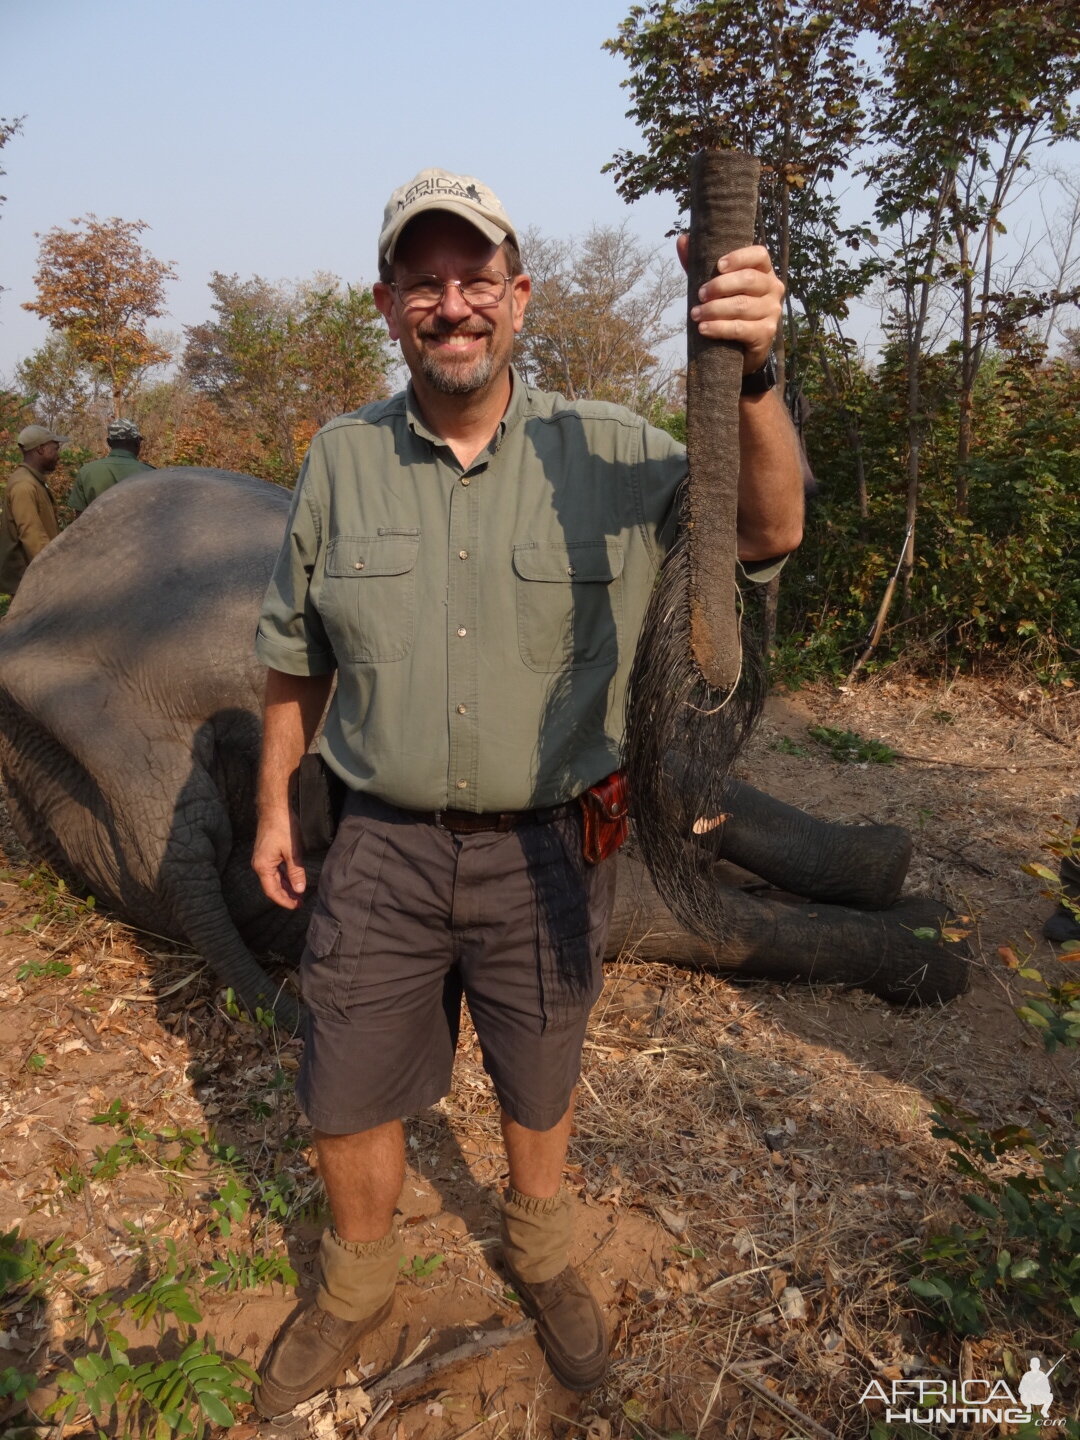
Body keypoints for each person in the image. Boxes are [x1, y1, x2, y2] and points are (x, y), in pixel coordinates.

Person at [251, 167, 805, 1417]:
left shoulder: (605, 451)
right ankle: (354, 1281)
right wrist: (277, 806)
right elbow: (295, 656)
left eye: (477, 280)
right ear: (388, 302)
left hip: (556, 839)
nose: (454, 306)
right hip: (380, 844)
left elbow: (766, 533)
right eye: (426, 282)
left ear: (520, 297)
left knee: (539, 1065)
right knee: (347, 1075)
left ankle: (542, 1254)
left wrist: (757, 375)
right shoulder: (339, 462)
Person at [0, 424, 66, 596]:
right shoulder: (24, 485)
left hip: (35, 577)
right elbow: (32, 536)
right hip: (29, 582)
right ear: (41, 449)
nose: (58, 456)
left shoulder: (33, 481)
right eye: (55, 449)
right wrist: (56, 574)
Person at [66, 418, 153, 514]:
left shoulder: (86, 472)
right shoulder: (151, 473)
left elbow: (79, 520)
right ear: (137, 442)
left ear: (109, 442)